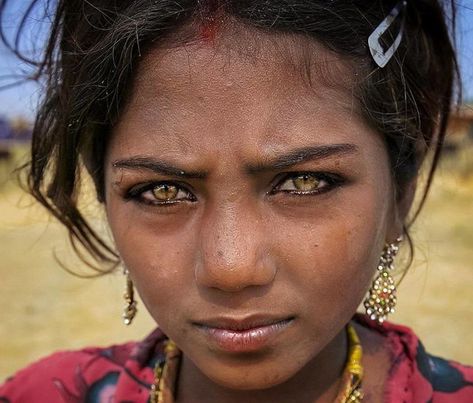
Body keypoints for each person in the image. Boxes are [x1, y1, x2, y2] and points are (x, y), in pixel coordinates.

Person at [1, 0, 472, 402]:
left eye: (304, 182)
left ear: (400, 195)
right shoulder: (42, 392)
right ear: (106, 199)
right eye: (163, 191)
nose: (231, 269)